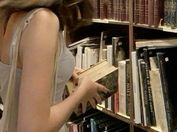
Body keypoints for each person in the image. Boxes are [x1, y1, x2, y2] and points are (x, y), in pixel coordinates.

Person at [0, 0, 109, 131]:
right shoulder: (43, 21)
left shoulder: (10, 16)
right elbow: (34, 128)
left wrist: (61, 70)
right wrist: (82, 91)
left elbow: (16, 66)